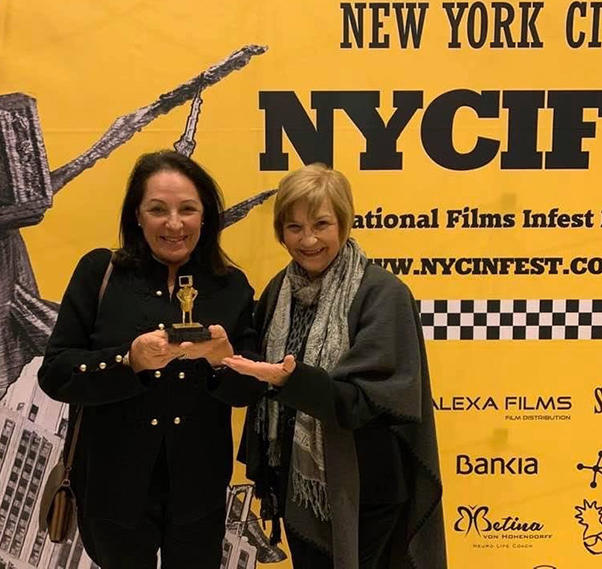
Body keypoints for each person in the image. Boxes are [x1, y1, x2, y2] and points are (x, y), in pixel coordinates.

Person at [38, 150, 263, 569]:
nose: (174, 224)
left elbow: (249, 390)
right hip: (111, 488)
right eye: (158, 209)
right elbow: (55, 372)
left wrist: (222, 361)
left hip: (198, 494)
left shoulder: (231, 286)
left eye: (187, 209)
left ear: (206, 216)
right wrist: (128, 363)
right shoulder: (99, 272)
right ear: (136, 216)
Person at [224, 164, 446, 569]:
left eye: (321, 224)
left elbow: (369, 400)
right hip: (297, 484)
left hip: (366, 486)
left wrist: (292, 381)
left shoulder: (382, 293)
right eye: (294, 227)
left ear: (344, 222)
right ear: (280, 232)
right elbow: (260, 380)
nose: (307, 240)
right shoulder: (279, 289)